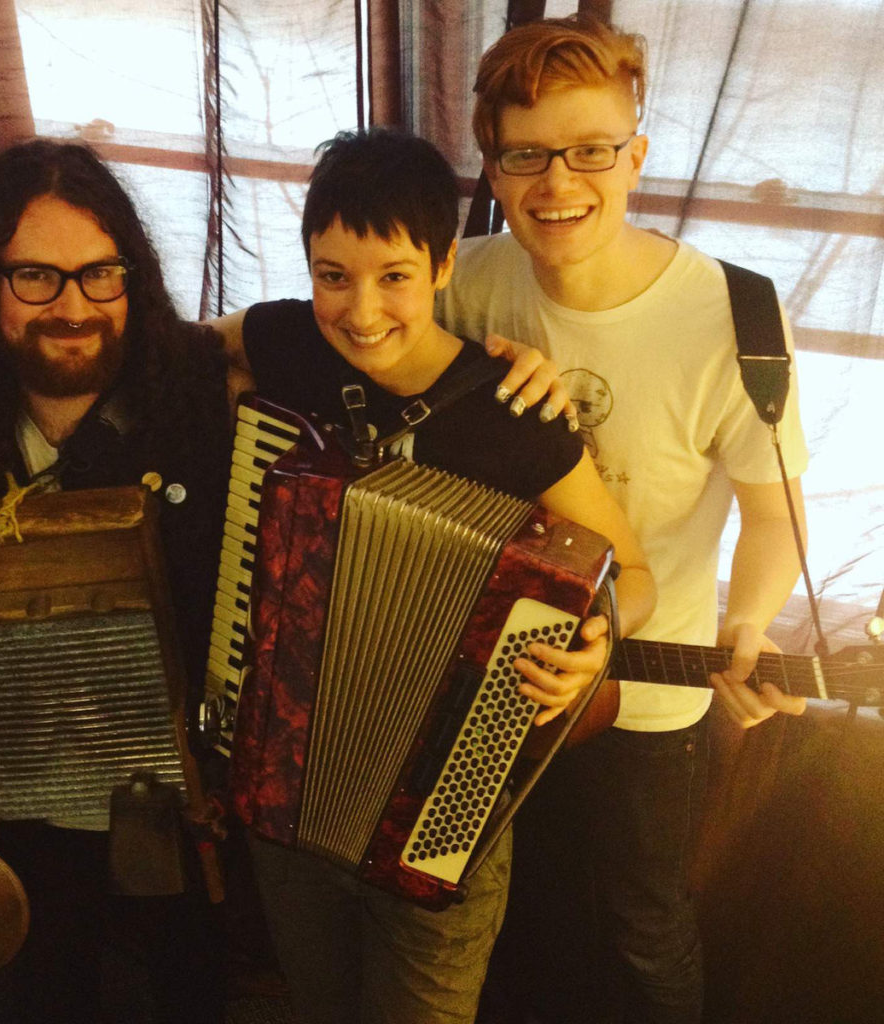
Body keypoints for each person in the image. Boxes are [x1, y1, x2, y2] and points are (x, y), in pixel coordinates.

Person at [205, 126, 656, 1024]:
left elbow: (631, 571)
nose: (362, 311)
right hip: (286, 789)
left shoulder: (514, 413)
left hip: (446, 810)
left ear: (445, 265)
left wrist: (597, 639)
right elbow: (189, 350)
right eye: (333, 275)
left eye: (394, 276)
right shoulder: (283, 343)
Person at [435, 14, 810, 1024]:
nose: (558, 185)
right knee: (501, 919)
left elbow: (776, 515)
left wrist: (747, 626)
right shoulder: (466, 279)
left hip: (648, 695)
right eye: (526, 157)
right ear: (495, 167)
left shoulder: (735, 316)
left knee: (641, 932)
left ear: (634, 155)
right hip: (493, 678)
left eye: (589, 150)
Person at [0, 140, 231, 1024]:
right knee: (48, 985)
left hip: (178, 791)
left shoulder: (206, 399)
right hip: (15, 791)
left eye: (101, 274)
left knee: (191, 989)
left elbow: (353, 332)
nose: (74, 305)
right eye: (37, 277)